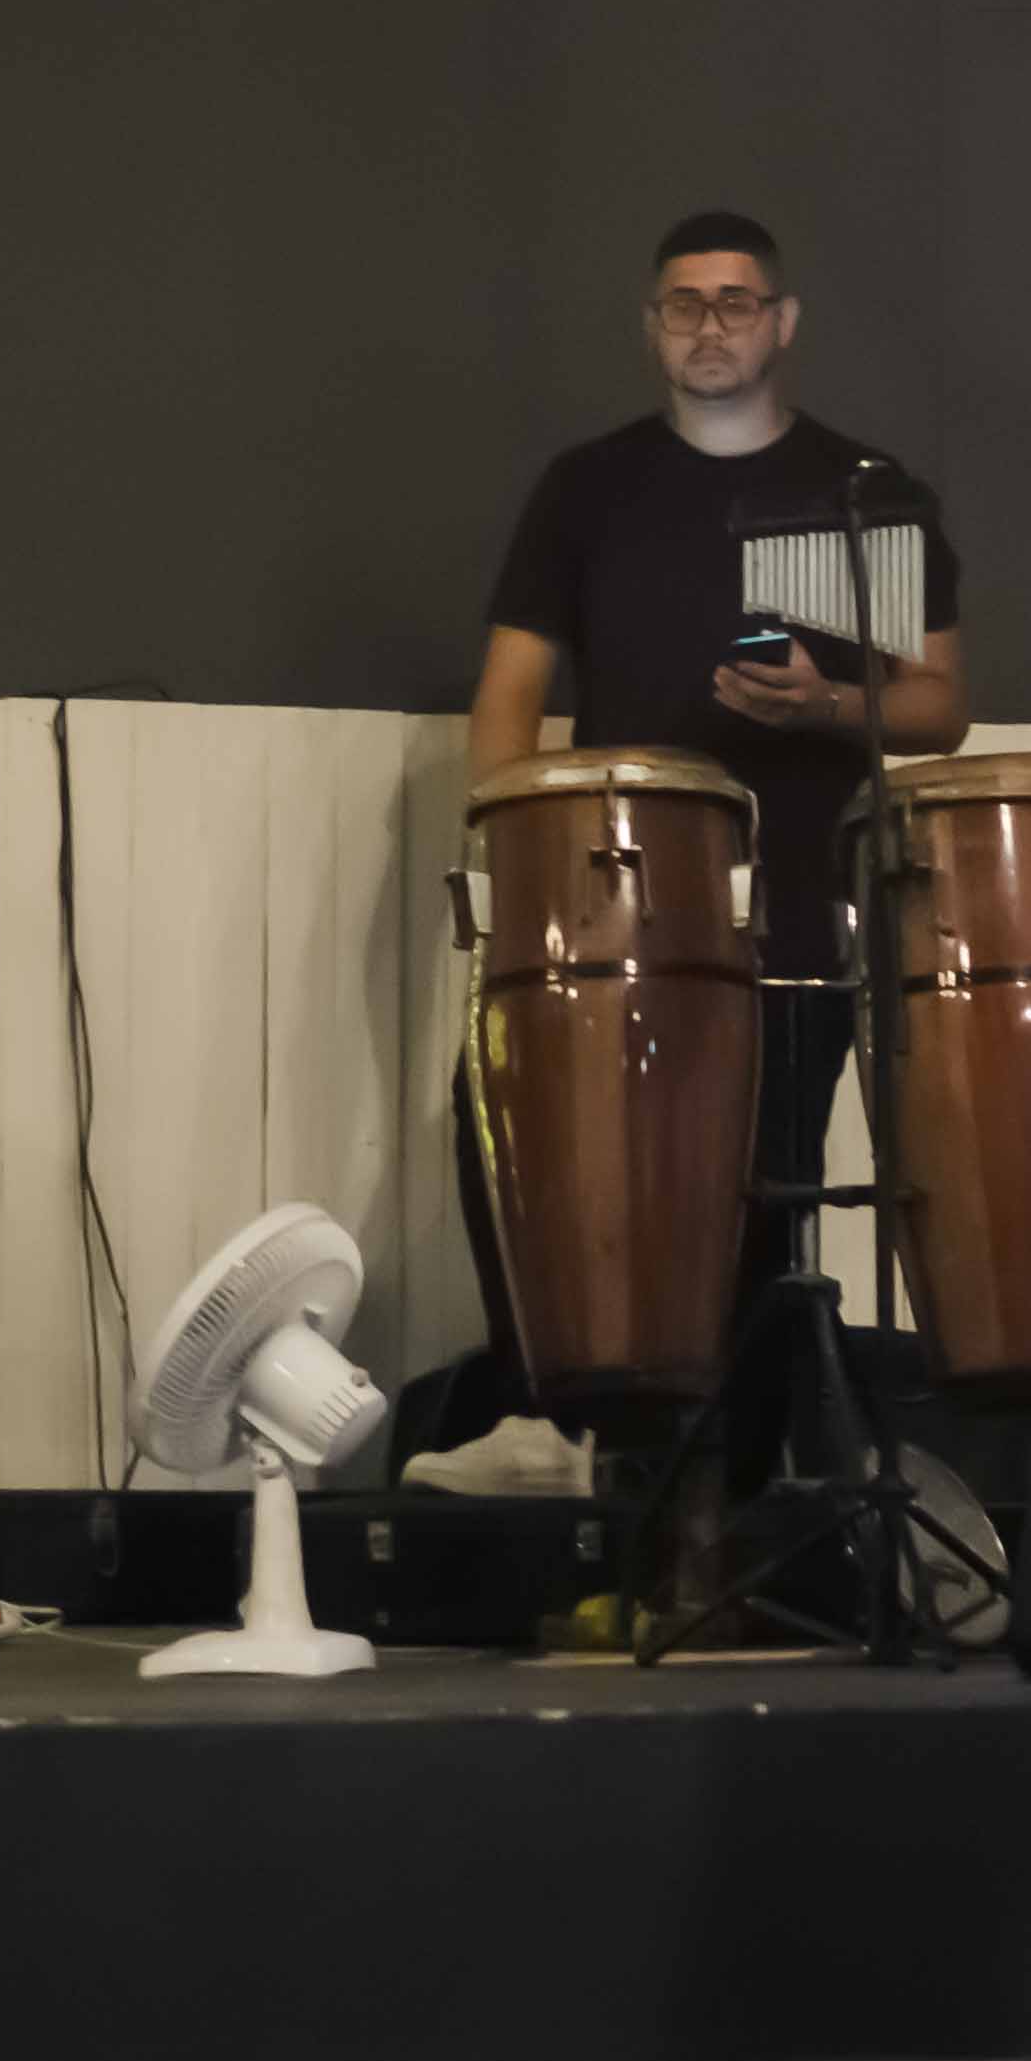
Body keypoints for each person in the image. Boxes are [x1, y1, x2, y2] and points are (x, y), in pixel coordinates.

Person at [414, 209, 971, 1490]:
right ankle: (550, 1420)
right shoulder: (589, 487)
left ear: (782, 322)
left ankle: (737, 1486)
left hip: (790, 901)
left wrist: (821, 704)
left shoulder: (858, 494)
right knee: (512, 1132)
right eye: (682, 304)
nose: (707, 327)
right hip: (606, 894)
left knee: (760, 1189)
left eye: (733, 303)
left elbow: (937, 707)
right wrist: (515, 846)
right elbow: (508, 696)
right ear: (651, 326)